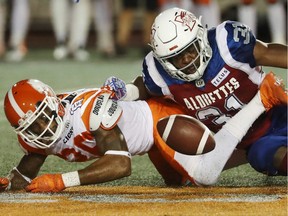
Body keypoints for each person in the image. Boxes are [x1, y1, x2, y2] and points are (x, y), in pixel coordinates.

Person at [0, 74, 282, 192]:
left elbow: (121, 164)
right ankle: (248, 151)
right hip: (147, 143)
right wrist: (8, 182)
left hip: (159, 119)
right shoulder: (34, 135)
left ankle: (263, 98)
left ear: (54, 104)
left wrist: (62, 180)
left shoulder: (89, 110)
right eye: (32, 126)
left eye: (43, 118)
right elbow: (26, 171)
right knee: (178, 183)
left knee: (205, 175)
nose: (42, 129)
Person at [106, 7, 288, 180]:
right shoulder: (159, 74)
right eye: (176, 58)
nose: (186, 60)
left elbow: (269, 52)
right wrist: (126, 92)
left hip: (282, 112)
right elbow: (144, 87)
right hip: (253, 142)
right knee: (262, 155)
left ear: (200, 37)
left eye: (190, 50)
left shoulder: (226, 44)